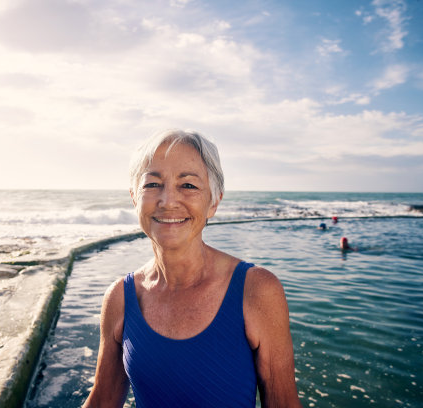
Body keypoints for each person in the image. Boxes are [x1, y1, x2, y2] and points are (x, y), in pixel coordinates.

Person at [83, 129, 301, 408]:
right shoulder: (120, 297)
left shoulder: (257, 290)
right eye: (152, 184)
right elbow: (101, 402)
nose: (168, 200)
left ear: (214, 201)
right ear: (134, 198)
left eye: (188, 185)